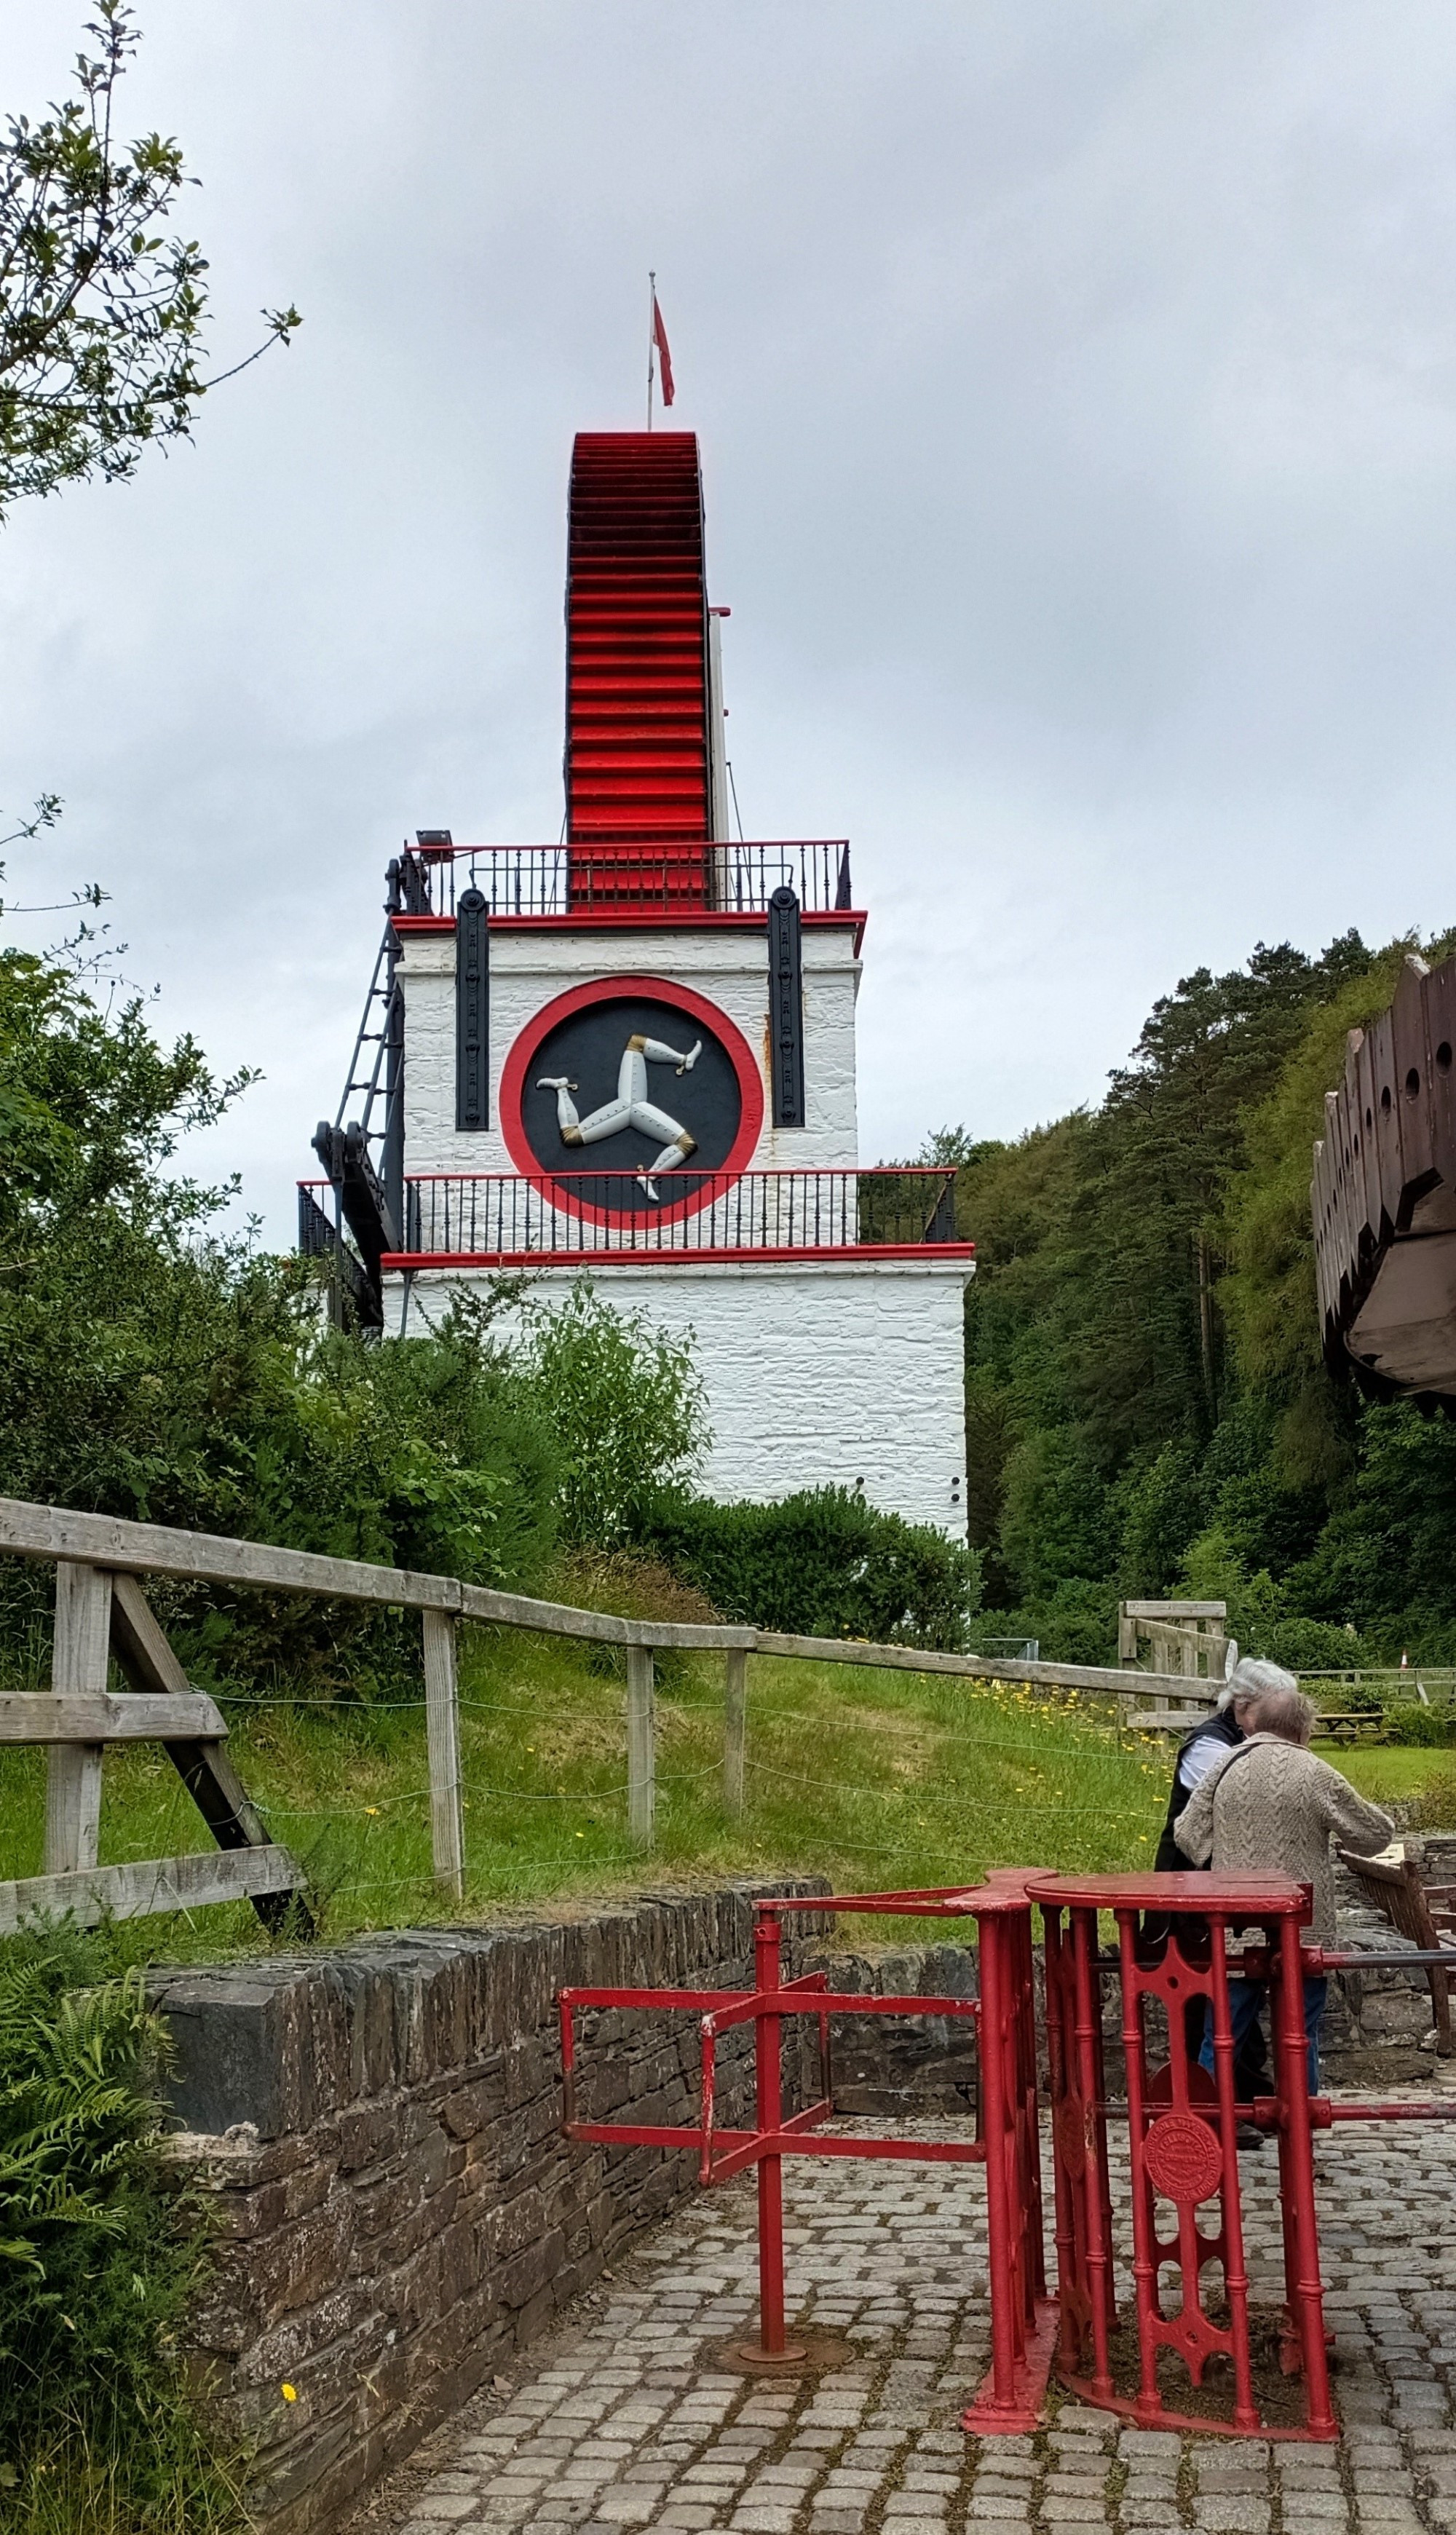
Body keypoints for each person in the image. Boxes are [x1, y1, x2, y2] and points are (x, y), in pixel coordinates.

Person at [1177, 1677, 1393, 2093]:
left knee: (1221, 2037)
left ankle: (1204, 2127)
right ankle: (1300, 2129)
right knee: (1300, 2037)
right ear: (1303, 1727)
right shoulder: (1315, 1772)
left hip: (1235, 1924)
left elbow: (1187, 1832)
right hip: (1302, 1930)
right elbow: (1375, 1835)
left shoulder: (1226, 1763)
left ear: (1255, 1722)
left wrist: (1227, 1854)